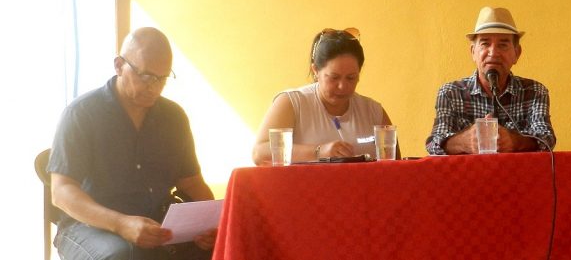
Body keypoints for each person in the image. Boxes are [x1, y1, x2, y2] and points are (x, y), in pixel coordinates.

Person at [48, 27, 216, 260]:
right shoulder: (81, 113)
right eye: (145, 76)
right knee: (123, 255)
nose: (153, 87)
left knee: (222, 248)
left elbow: (192, 183)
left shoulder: (173, 117)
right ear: (119, 66)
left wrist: (212, 225)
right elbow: (61, 192)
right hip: (88, 225)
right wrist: (121, 223)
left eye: (162, 78)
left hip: (155, 221)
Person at [253, 27, 398, 163]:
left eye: (351, 78)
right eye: (334, 77)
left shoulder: (373, 111)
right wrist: (319, 152)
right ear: (315, 70)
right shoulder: (292, 103)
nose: (342, 86)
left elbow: (396, 167)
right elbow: (259, 153)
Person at [426, 6, 556, 154]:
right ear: (473, 52)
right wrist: (463, 142)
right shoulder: (450, 93)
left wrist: (515, 141)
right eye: (485, 43)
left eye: (503, 45)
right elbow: (434, 144)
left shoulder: (535, 92)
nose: (493, 53)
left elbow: (547, 140)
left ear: (517, 53)